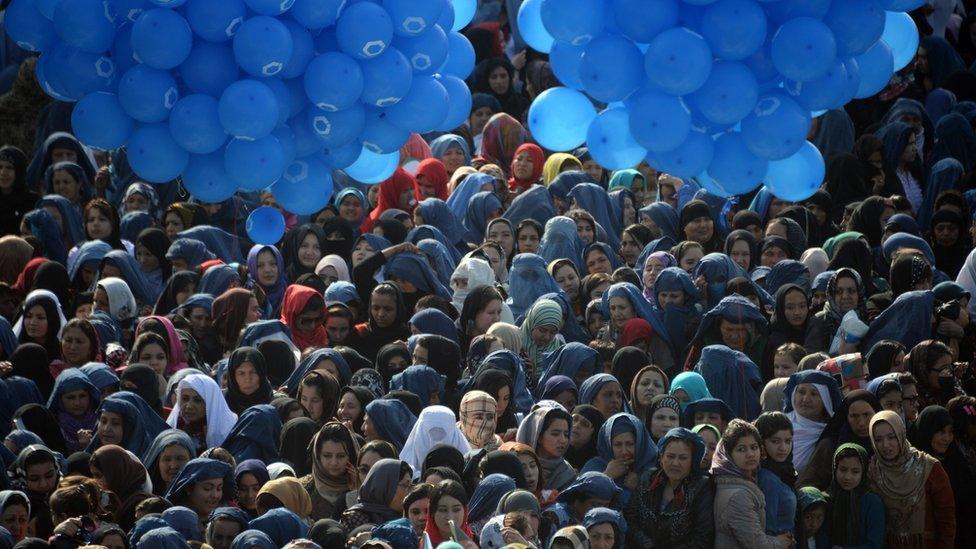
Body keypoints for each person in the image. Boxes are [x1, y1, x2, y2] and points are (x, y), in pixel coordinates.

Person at [868, 410, 956, 548]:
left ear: (901, 435)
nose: (886, 445)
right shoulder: (872, 471)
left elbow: (946, 520)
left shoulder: (929, 467)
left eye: (892, 437)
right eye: (878, 439)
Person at [624, 427, 714, 547]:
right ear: (661, 458)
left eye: (683, 458)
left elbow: (702, 536)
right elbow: (630, 519)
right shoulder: (648, 478)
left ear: (692, 461)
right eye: (670, 456)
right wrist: (648, 545)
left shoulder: (701, 487)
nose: (676, 463)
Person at [711, 419, 793, 549]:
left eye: (754, 447)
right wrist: (780, 542)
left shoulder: (743, 483)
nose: (750, 454)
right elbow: (757, 545)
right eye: (741, 449)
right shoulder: (738, 496)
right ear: (729, 455)